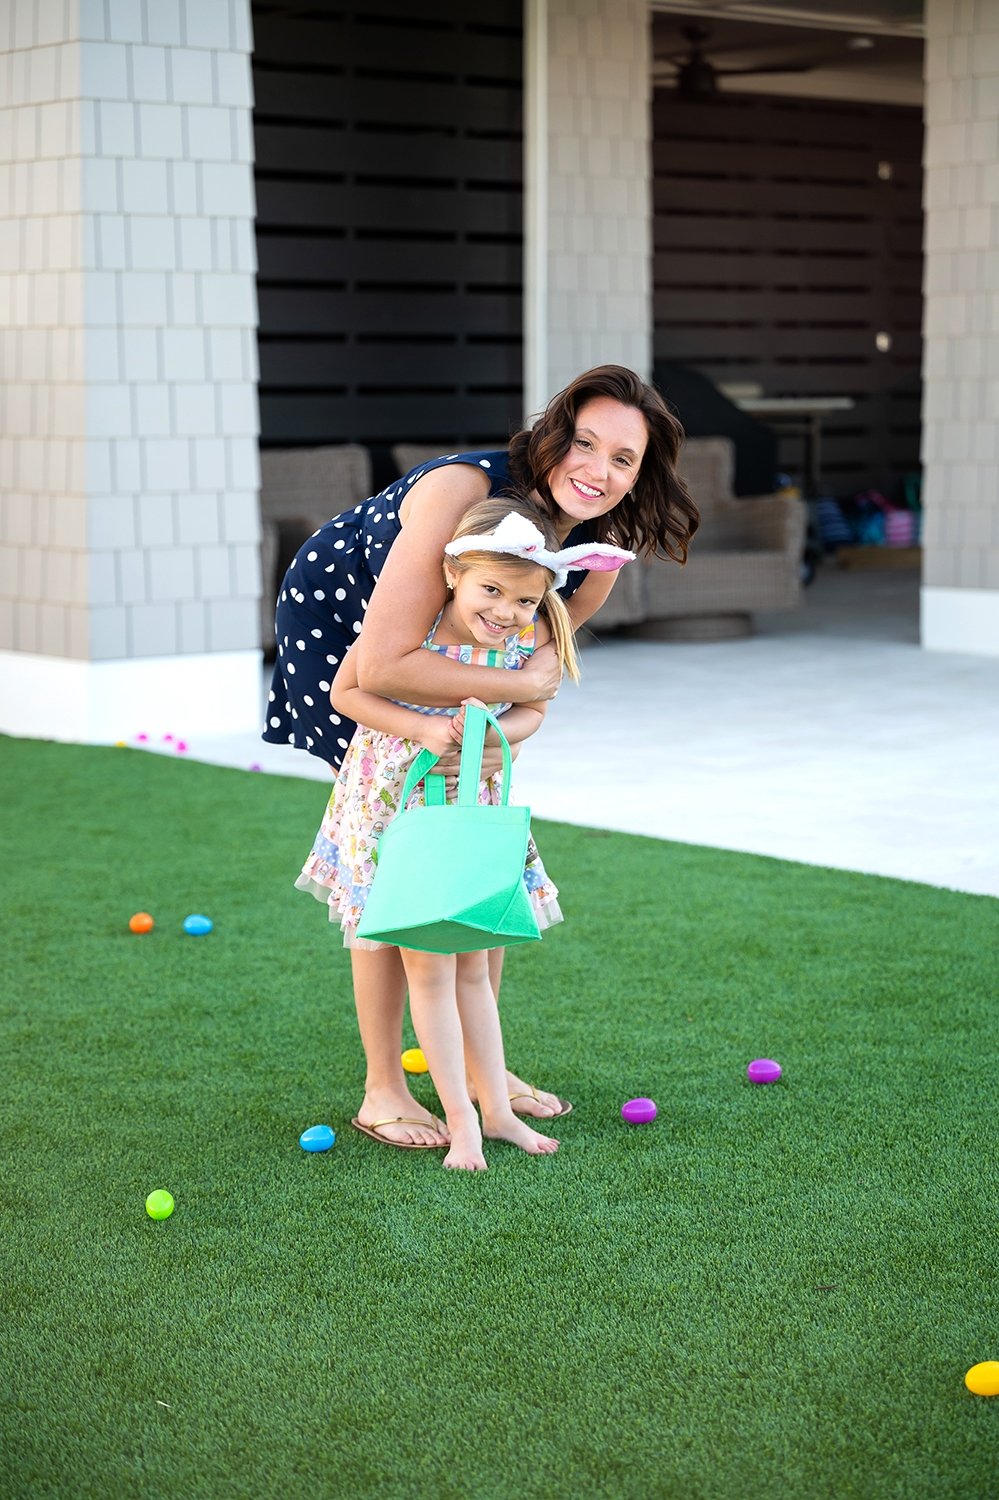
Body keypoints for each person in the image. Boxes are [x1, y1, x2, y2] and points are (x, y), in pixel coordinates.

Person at [264, 363, 698, 1147]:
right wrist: (510, 691)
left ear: (641, 475)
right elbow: (382, 667)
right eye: (584, 443)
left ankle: (478, 1072)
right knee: (396, 875)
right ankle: (383, 1088)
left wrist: (505, 724)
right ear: (551, 436)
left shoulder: (594, 544)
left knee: (469, 868)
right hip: (350, 633)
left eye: (622, 459)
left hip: (458, 686)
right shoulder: (462, 492)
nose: (597, 470)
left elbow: (534, 668)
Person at [295, 498, 634, 1168]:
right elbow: (345, 693)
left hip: (469, 808)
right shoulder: (411, 626)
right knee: (424, 964)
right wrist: (423, 727)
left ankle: (495, 1108)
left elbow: (534, 711)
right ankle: (456, 1118)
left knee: (474, 963)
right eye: (491, 591)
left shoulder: (522, 641)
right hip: (394, 810)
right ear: (453, 572)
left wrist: (494, 741)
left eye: (525, 599)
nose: (506, 611)